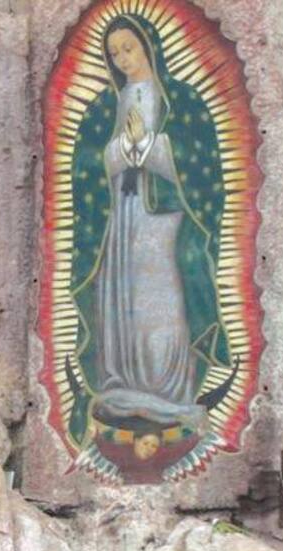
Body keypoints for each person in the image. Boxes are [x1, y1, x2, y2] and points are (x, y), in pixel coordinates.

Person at [59, 11, 236, 478]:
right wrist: (123, 151)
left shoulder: (183, 100)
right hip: (118, 221)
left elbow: (205, 171)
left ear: (150, 47)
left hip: (167, 220)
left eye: (129, 49)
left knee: (164, 305)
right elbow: (86, 168)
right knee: (123, 303)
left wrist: (152, 148)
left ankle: (173, 396)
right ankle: (120, 386)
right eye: (115, 53)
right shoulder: (102, 108)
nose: (123, 59)